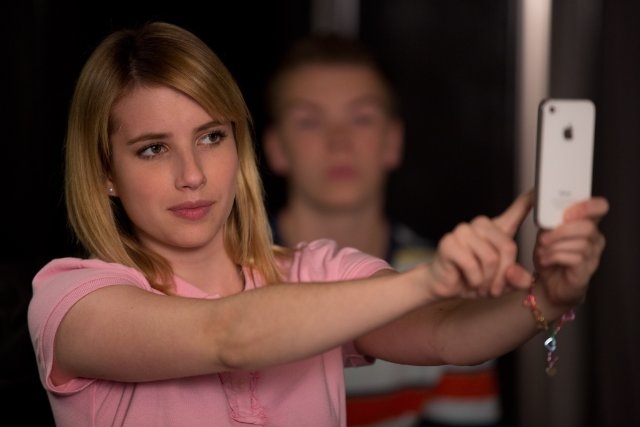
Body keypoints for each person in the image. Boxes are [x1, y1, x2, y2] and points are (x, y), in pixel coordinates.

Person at [27, 21, 608, 427]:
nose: (193, 175)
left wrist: (548, 296)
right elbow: (228, 336)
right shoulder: (73, 300)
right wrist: (431, 278)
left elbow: (444, 334)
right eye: (153, 149)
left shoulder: (315, 268)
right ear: (106, 172)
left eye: (211, 137)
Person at [260, 33, 501, 426]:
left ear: (393, 141)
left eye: (362, 118)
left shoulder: (451, 279)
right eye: (309, 121)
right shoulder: (225, 273)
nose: (339, 142)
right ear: (276, 148)